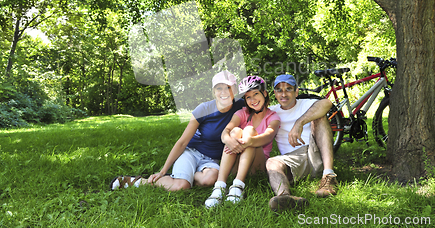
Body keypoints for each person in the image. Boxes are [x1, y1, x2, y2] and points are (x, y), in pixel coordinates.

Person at [110, 70, 245, 191]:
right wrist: (163, 171)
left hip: (211, 160)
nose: (224, 92)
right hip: (191, 152)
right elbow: (183, 141)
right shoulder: (203, 109)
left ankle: (182, 175)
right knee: (181, 186)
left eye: (228, 87)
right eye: (219, 88)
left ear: (235, 90)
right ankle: (140, 181)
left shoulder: (241, 106)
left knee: (208, 180)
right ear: (213, 91)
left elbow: (260, 107)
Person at [204, 76, 280, 208]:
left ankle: (238, 185)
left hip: (258, 166)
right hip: (236, 164)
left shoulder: (273, 117)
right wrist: (228, 140)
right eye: (248, 97)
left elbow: (268, 136)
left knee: (249, 130)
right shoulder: (241, 113)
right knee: (234, 132)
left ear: (265, 93)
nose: (253, 100)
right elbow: (225, 132)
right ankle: (219, 187)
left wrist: (248, 141)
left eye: (256, 94)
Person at [266, 74, 338, 211]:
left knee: (319, 117)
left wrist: (299, 122)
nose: (284, 94)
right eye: (279, 90)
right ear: (274, 93)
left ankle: (329, 177)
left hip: (314, 151)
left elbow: (327, 103)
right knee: (271, 163)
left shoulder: (305, 104)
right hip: (293, 162)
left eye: (288, 89)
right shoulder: (272, 111)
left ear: (296, 91)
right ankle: (285, 198)